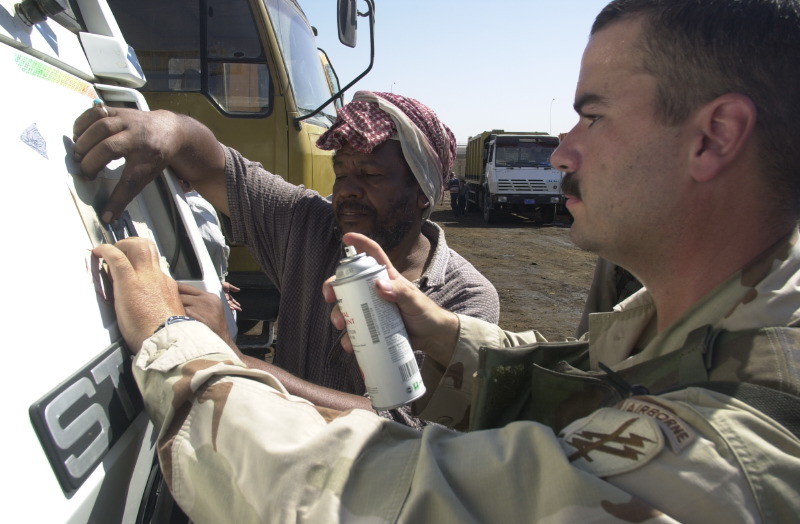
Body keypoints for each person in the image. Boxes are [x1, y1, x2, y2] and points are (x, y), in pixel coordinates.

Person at [89, 0, 800, 521]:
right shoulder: (678, 332)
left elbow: (386, 488)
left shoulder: (723, 451)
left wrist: (185, 344)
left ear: (714, 138)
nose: (561, 153)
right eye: (344, 171)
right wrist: (170, 125)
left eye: (593, 115)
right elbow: (576, 382)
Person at [73, 90, 499, 424]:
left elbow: (401, 425)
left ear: (424, 192)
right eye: (341, 172)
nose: (347, 189)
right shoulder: (311, 227)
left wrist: (234, 360)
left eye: (369, 175)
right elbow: (216, 169)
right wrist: (173, 129)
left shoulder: (465, 298)